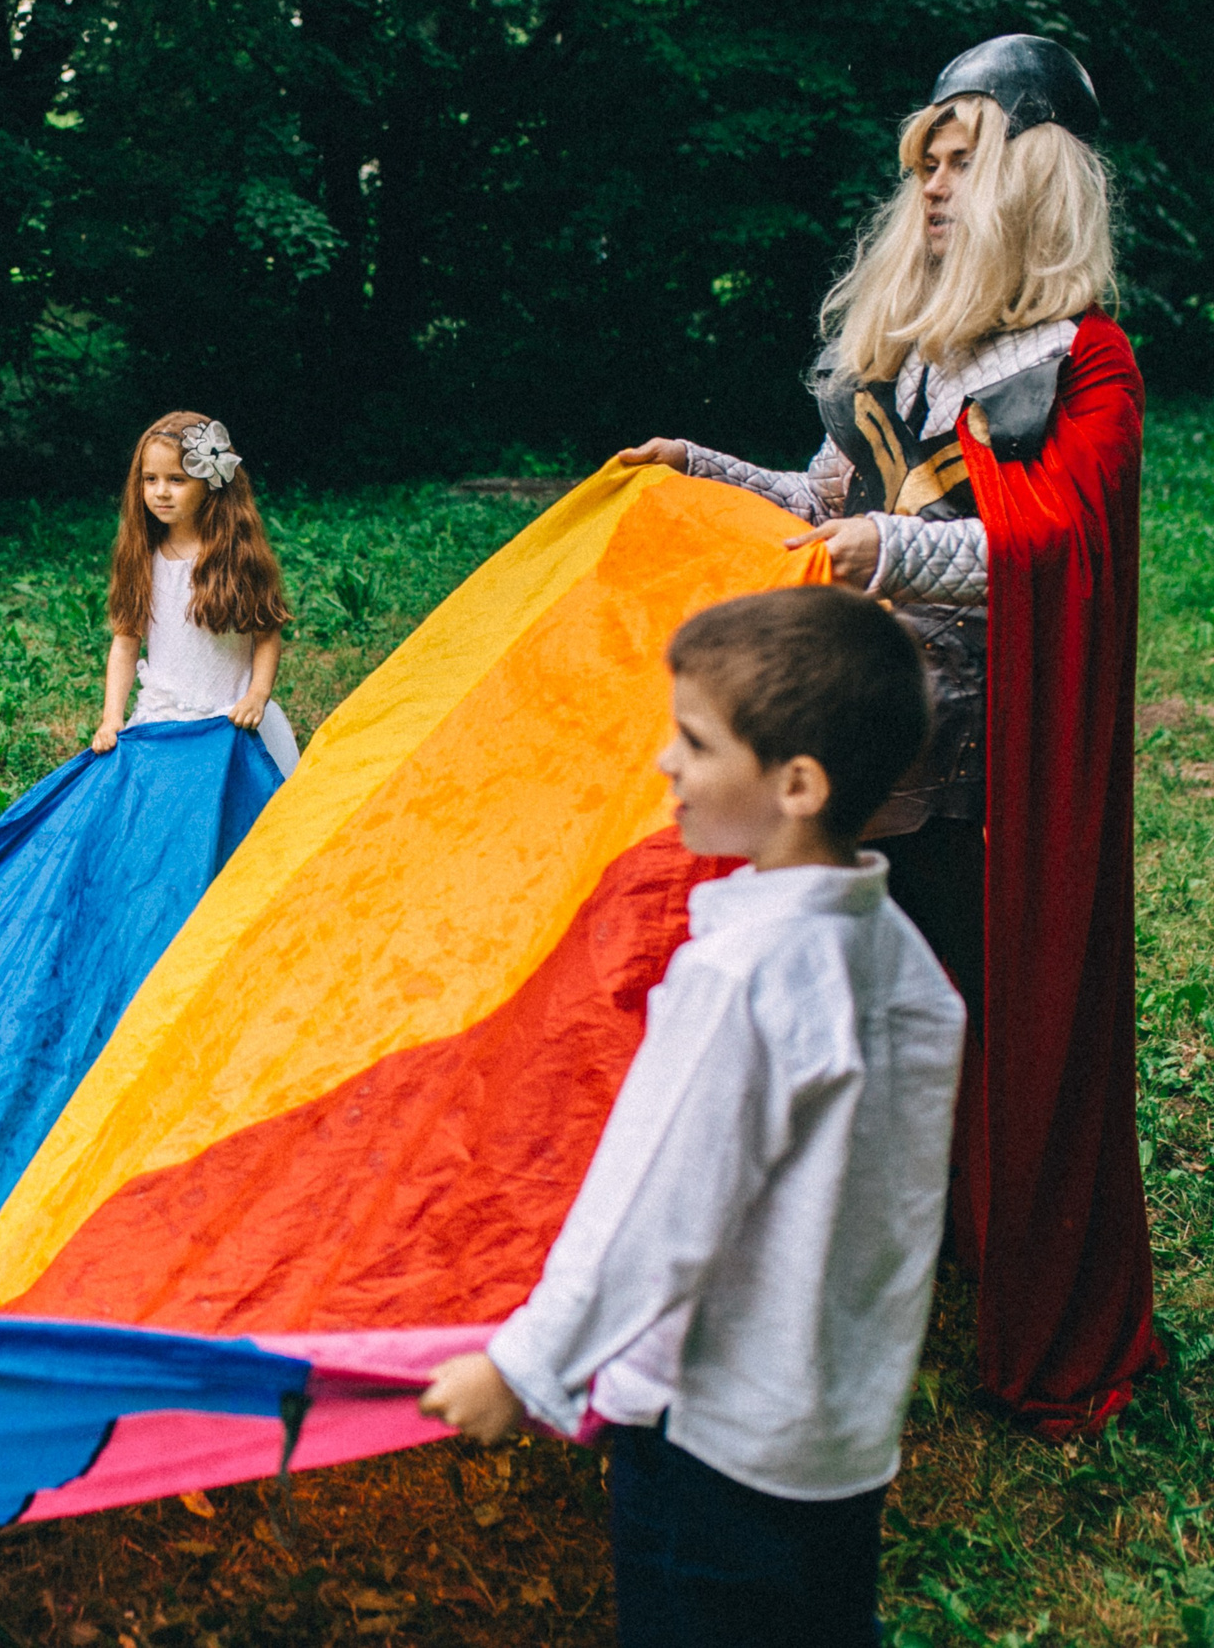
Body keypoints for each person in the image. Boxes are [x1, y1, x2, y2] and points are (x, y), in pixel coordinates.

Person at [615, 33, 1159, 1433]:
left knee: (971, 1022)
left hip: (988, 774)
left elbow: (1054, 548)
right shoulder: (913, 355)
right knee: (839, 1011)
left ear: (1032, 179)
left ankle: (986, 1259)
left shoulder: (1084, 362)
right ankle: (841, 1260)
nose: (931, 186)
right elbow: (826, 502)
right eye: (925, 162)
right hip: (865, 753)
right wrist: (701, 471)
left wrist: (892, 547)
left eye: (962, 160)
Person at [420, 586, 965, 1648]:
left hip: (708, 1445)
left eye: (696, 742)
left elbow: (652, 1209)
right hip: (837, 1445)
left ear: (796, 785)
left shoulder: (740, 978)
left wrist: (522, 1368)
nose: (665, 761)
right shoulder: (904, 965)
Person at [91, 413, 299, 774]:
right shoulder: (142, 558)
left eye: (177, 479)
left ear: (210, 483)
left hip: (230, 720)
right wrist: (112, 718)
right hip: (163, 720)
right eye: (150, 479)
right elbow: (126, 642)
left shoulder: (236, 557)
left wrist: (257, 695)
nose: (161, 491)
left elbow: (267, 632)